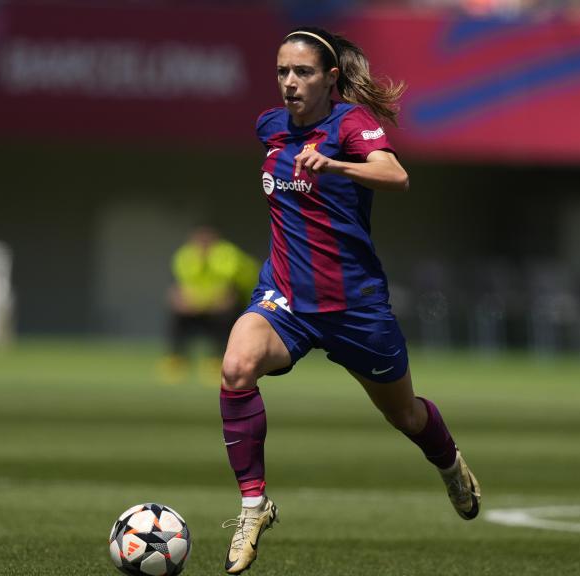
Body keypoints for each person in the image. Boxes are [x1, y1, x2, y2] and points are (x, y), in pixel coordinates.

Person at [218, 27, 481, 574]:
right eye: (283, 72)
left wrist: (335, 166)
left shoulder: (351, 125)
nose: (290, 83)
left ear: (331, 77)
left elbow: (396, 175)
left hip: (355, 307)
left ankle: (451, 464)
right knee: (237, 366)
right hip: (286, 297)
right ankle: (252, 507)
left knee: (404, 414)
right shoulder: (269, 126)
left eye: (304, 72)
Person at [161, 226, 257, 384]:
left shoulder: (226, 254)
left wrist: (207, 303)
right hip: (203, 302)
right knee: (177, 316)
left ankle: (218, 359)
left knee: (224, 316)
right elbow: (178, 287)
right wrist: (184, 302)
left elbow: (228, 293)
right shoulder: (185, 256)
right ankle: (177, 359)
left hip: (237, 299)